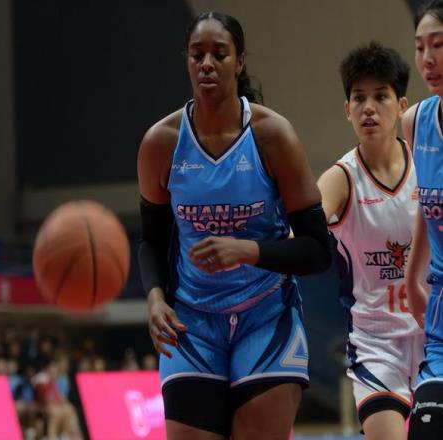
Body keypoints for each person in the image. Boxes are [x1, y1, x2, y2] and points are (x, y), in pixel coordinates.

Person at [137, 11, 331, 440]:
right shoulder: (160, 142)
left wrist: (247, 250)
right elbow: (151, 241)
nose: (207, 64)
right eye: (197, 55)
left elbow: (319, 250)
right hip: (191, 320)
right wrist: (154, 298)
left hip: (265, 314)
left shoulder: (273, 135)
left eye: (219, 54)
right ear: (187, 61)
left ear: (239, 61)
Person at [318, 42, 424, 440]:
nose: (369, 108)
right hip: (376, 344)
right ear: (347, 109)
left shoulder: (427, 164)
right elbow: (302, 232)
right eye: (359, 98)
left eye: (381, 96)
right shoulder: (340, 179)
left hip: (433, 332)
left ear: (401, 105)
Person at [402, 2, 443, 438]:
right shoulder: (416, 122)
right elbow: (425, 203)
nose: (428, 58)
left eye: (439, 45)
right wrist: (413, 274)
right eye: (420, 47)